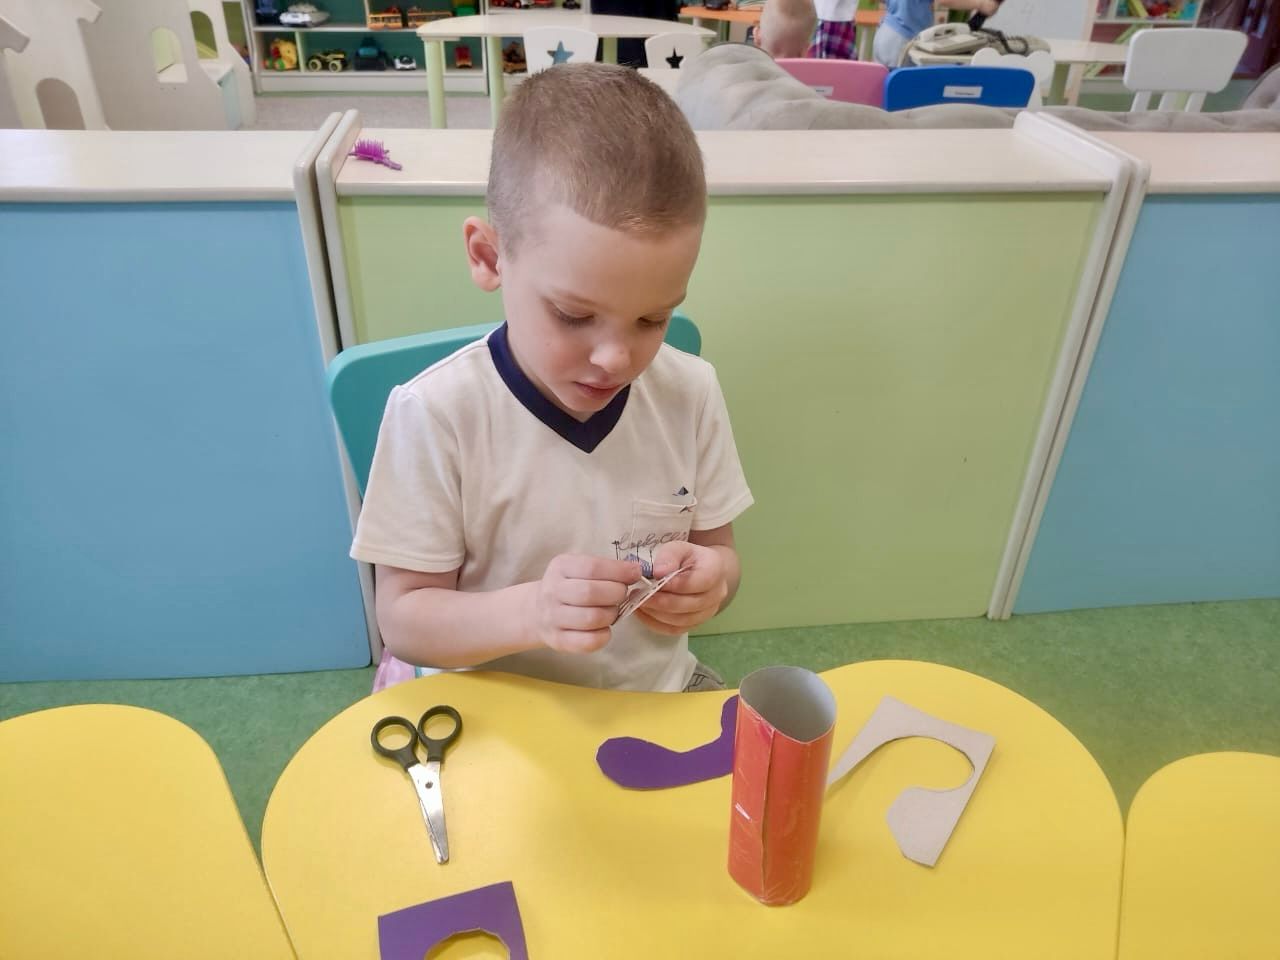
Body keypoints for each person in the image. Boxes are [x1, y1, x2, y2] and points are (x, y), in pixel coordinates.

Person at [351, 64, 753, 695]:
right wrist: (531, 612)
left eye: (653, 318)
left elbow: (722, 556)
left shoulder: (691, 392)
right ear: (489, 257)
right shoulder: (436, 414)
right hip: (494, 704)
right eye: (573, 315)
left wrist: (712, 583)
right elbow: (404, 620)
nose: (616, 358)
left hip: (653, 692)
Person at [873, 0, 998, 68]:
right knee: (901, 94)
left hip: (885, 33)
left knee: (884, 93)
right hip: (902, 39)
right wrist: (981, 4)